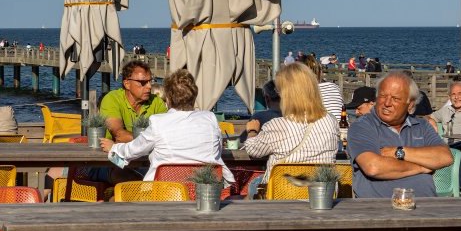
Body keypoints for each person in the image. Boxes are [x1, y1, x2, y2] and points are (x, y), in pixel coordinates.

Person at [346, 71, 452, 231]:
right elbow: (373, 167)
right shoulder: (363, 127)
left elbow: (444, 157)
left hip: (429, 212)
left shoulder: (422, 126)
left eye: (395, 98)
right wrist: (422, 166)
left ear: (410, 105)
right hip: (380, 215)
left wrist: (398, 152)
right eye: (382, 96)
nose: (386, 103)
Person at [102, 69, 234, 185]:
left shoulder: (158, 122)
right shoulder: (210, 119)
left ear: (168, 98)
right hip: (204, 192)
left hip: (164, 194)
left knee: (116, 172)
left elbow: (131, 151)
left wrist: (113, 148)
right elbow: (217, 150)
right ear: (194, 96)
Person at [242, 63, 339, 197]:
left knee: (254, 185)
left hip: (282, 196)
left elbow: (253, 150)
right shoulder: (331, 121)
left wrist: (252, 131)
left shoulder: (277, 125)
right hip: (319, 195)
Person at [99, 60, 168, 143]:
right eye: (143, 82)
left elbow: (166, 134)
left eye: (150, 81)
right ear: (127, 84)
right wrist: (150, 141)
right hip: (113, 154)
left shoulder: (156, 102)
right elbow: (119, 135)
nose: (149, 86)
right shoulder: (112, 99)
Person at [300, 54, 343, 120]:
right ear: (320, 72)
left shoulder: (301, 91)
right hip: (341, 127)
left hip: (321, 126)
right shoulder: (334, 87)